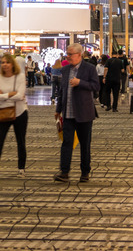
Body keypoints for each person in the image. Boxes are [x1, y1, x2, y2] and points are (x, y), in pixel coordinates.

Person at [54, 44, 100, 183]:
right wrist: (58, 109)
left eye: (70, 54)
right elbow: (62, 90)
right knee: (66, 143)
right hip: (68, 113)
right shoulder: (65, 69)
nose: (67, 56)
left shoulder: (89, 69)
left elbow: (96, 86)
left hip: (84, 113)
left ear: (79, 55)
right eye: (67, 54)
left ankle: (85, 172)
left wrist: (80, 82)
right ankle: (64, 172)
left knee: (85, 144)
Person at [0, 53, 28, 179]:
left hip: (20, 112)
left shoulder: (19, 77)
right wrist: (10, 94)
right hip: (3, 112)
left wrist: (4, 95)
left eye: (7, 62)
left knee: (21, 141)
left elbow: (20, 96)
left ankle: (21, 168)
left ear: (12, 64)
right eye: (3, 62)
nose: (5, 65)